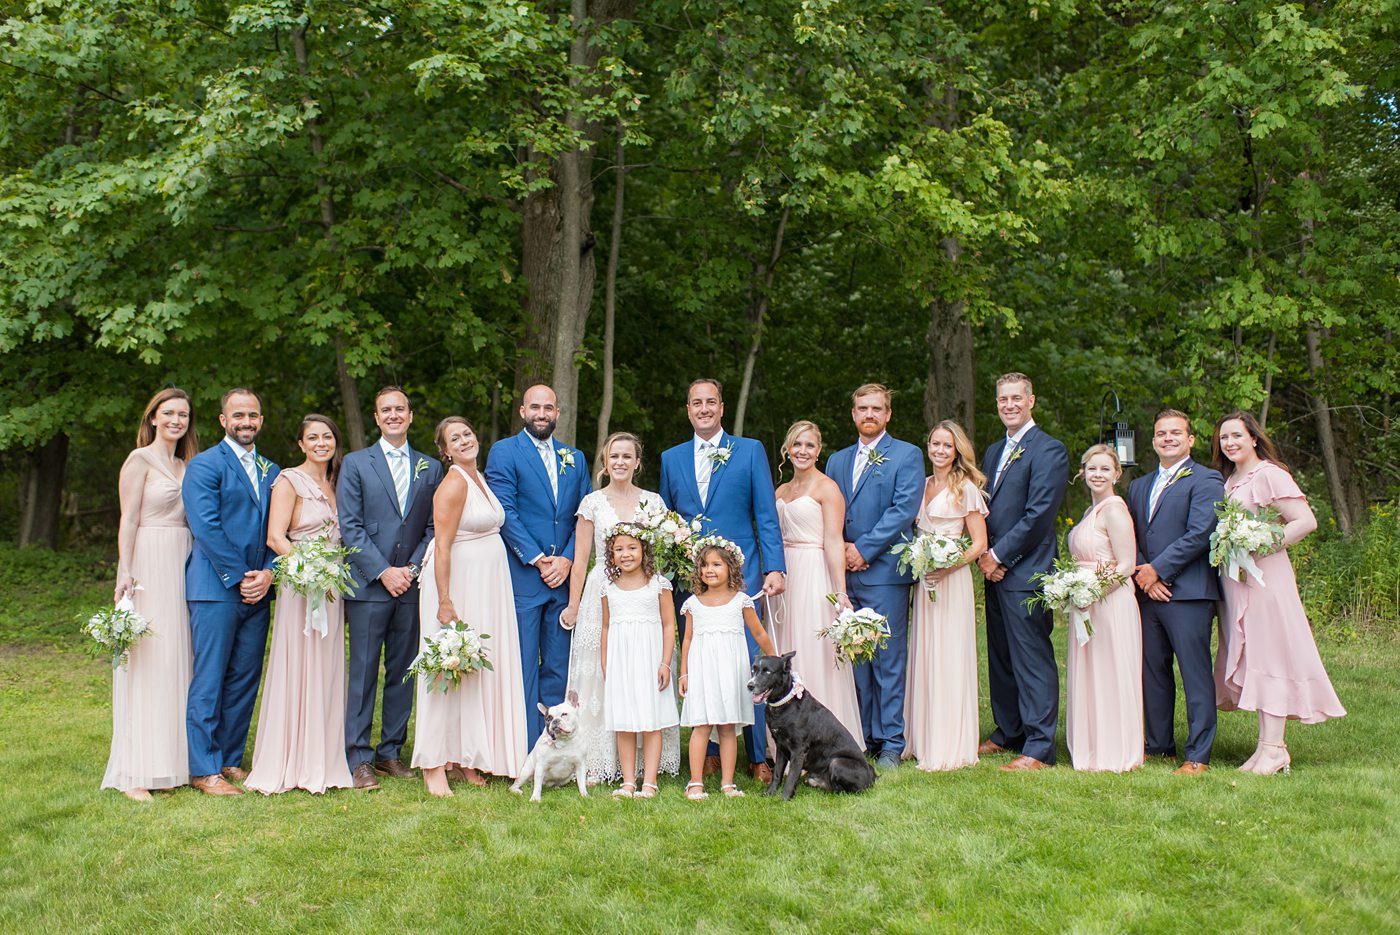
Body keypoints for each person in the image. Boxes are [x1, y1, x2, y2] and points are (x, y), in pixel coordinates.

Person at [658, 378, 786, 783]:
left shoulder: (749, 451)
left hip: (740, 579)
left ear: (722, 407)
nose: (703, 409)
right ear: (687, 409)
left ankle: (757, 754)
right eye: (696, 403)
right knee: (701, 661)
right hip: (693, 583)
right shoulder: (671, 457)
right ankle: (710, 750)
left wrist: (774, 567)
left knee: (751, 664)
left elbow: (765, 513)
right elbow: (667, 523)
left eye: (710, 402)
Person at [1212, 411, 1346, 774]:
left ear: (1254, 438)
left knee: (1270, 655)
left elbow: (1306, 521)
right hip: (1238, 581)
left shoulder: (1269, 474)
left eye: (1237, 435)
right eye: (1224, 438)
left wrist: (1263, 543)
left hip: (1265, 579)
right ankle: (1268, 747)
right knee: (1254, 654)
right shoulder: (1230, 479)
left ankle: (1273, 749)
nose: (1230, 443)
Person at [414, 417, 528, 796]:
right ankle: (433, 764)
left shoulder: (478, 477)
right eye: (454, 438)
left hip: (488, 585)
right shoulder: (452, 483)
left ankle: (467, 758)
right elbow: (443, 544)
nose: (464, 440)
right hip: (458, 584)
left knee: (474, 669)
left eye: (467, 433)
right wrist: (445, 601)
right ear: (444, 450)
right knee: (448, 669)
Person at [337, 386, 443, 790]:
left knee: (402, 672)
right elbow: (351, 526)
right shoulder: (356, 463)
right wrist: (383, 571)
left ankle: (390, 752)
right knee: (363, 672)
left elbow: (432, 527)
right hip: (369, 585)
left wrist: (412, 568)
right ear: (377, 418)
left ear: (411, 416)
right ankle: (359, 757)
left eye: (401, 409)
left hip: (411, 587)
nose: (394, 415)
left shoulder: (430, 467)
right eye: (386, 410)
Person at [559, 432, 679, 784]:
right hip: (602, 592)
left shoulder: (654, 503)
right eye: (614, 457)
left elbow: (665, 556)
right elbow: (580, 560)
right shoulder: (592, 502)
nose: (621, 462)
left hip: (642, 596)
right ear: (605, 462)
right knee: (601, 673)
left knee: (642, 671)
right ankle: (596, 759)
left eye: (628, 456)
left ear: (638, 462)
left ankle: (646, 765)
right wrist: (573, 604)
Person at [245, 415, 354, 795]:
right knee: (299, 662)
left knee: (327, 665)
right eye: (313, 437)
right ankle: (290, 757)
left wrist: (328, 575)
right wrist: (308, 570)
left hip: (332, 584)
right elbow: (276, 537)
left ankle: (323, 756)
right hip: (302, 581)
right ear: (301, 444)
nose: (321, 442)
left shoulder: (338, 482)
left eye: (327, 436)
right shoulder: (289, 480)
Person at [102, 387, 199, 801]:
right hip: (149, 560)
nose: (177, 420)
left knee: (179, 657)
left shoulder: (187, 464)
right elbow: (128, 520)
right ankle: (136, 768)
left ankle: (174, 760)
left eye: (183, 414)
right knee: (148, 658)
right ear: (154, 417)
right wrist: (125, 570)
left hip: (184, 560)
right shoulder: (138, 460)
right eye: (169, 413)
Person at [182, 387, 279, 796]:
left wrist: (270, 573)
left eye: (253, 415)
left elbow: (283, 530)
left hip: (259, 591)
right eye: (238, 415)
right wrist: (241, 576)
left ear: (261, 420)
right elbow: (205, 527)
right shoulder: (204, 466)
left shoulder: (273, 471)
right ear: (223, 420)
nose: (246, 422)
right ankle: (202, 769)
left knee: (244, 677)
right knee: (210, 678)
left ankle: (228, 759)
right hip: (215, 588)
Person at [823, 384, 922, 769]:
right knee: (854, 659)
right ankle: (861, 736)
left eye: (877, 408)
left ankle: (892, 741)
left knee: (887, 657)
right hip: (845, 575)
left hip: (884, 573)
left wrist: (863, 549)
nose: (869, 414)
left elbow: (903, 509)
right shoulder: (837, 460)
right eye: (862, 407)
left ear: (888, 414)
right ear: (853, 413)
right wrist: (842, 554)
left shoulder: (907, 455)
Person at [485, 384, 592, 741]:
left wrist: (566, 559)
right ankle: (523, 743)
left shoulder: (574, 457)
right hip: (524, 577)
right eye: (535, 407)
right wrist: (538, 558)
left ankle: (553, 741)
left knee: (558, 666)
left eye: (548, 408)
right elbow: (505, 511)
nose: (542, 413)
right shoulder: (504, 452)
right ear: (522, 411)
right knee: (523, 664)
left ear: (558, 413)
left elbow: (584, 516)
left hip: (563, 579)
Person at [977, 372, 1069, 771]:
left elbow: (1038, 515)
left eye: (1016, 398)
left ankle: (1039, 746)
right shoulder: (995, 450)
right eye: (1002, 399)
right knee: (1000, 656)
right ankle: (1007, 731)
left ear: (1032, 401)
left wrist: (998, 555)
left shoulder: (1049, 450)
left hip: (1026, 570)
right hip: (993, 570)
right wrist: (984, 555)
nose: (1009, 405)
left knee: (1031, 658)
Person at [1126, 409, 1225, 775]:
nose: (1167, 438)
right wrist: (1144, 576)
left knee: (1194, 672)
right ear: (1153, 441)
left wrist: (1159, 570)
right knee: (1153, 671)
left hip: (1188, 593)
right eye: (1160, 433)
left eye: (1175, 433)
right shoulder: (1138, 486)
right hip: (1147, 593)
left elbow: (1200, 533)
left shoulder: (1207, 479)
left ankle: (1197, 754)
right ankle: (1159, 744)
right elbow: (1131, 535)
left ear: (1190, 440)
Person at [772, 420, 864, 749]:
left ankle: (824, 741)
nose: (802, 451)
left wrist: (840, 591)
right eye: (797, 444)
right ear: (787, 448)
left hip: (813, 573)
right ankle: (785, 740)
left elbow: (833, 541)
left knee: (814, 653)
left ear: (818, 450)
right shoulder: (781, 491)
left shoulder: (827, 488)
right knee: (785, 648)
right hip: (785, 576)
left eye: (809, 445)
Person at [903, 420, 988, 772]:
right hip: (926, 580)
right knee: (925, 652)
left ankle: (951, 741)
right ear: (928, 445)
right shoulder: (921, 485)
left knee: (949, 654)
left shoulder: (964, 488)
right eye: (935, 444)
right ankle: (922, 736)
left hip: (951, 582)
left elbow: (980, 544)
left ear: (957, 452)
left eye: (947, 446)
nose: (939, 450)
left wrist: (948, 565)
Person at [679, 539, 778, 800]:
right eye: (704, 565)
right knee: (701, 726)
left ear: (731, 568)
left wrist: (775, 659)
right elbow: (687, 640)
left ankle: (728, 783)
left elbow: (759, 633)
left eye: (716, 564)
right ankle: (696, 782)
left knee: (727, 727)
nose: (709, 570)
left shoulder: (741, 601)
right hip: (702, 672)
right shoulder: (693, 604)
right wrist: (684, 672)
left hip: (731, 673)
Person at [1065, 444, 1143, 773]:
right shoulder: (1089, 511)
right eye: (1091, 468)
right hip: (1086, 603)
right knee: (1091, 671)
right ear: (1083, 472)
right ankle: (1092, 744)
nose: (1097, 474)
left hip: (1109, 602)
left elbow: (1126, 565)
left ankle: (1116, 749)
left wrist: (1091, 592)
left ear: (1117, 474)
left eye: (1104, 469)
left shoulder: (1114, 509)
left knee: (1111, 671)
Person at [599, 526, 680, 799]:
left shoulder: (659, 584)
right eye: (619, 549)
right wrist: (605, 661)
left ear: (644, 549)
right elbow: (607, 627)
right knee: (624, 720)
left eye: (632, 547)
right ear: (611, 553)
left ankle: (650, 782)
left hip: (649, 659)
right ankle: (629, 781)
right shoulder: (608, 587)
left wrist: (665, 663)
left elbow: (669, 625)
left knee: (650, 719)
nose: (626, 554)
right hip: (621, 660)